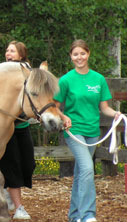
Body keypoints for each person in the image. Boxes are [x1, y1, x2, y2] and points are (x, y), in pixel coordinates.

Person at [53, 39, 121, 222]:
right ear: (71, 57)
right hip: (74, 130)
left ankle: (74, 216)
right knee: (87, 169)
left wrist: (116, 114)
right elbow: (54, 107)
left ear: (88, 54)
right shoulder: (66, 80)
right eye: (75, 54)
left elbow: (104, 107)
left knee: (82, 173)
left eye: (82, 53)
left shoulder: (98, 79)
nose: (79, 57)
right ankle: (87, 215)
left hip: (93, 131)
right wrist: (64, 117)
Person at [0, 41, 35, 220]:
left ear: (21, 55)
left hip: (23, 124)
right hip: (6, 128)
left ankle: (8, 188)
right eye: (7, 50)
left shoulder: (28, 74)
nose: (8, 53)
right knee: (12, 166)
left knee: (28, 164)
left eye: (12, 51)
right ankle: (18, 208)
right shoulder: (0, 73)